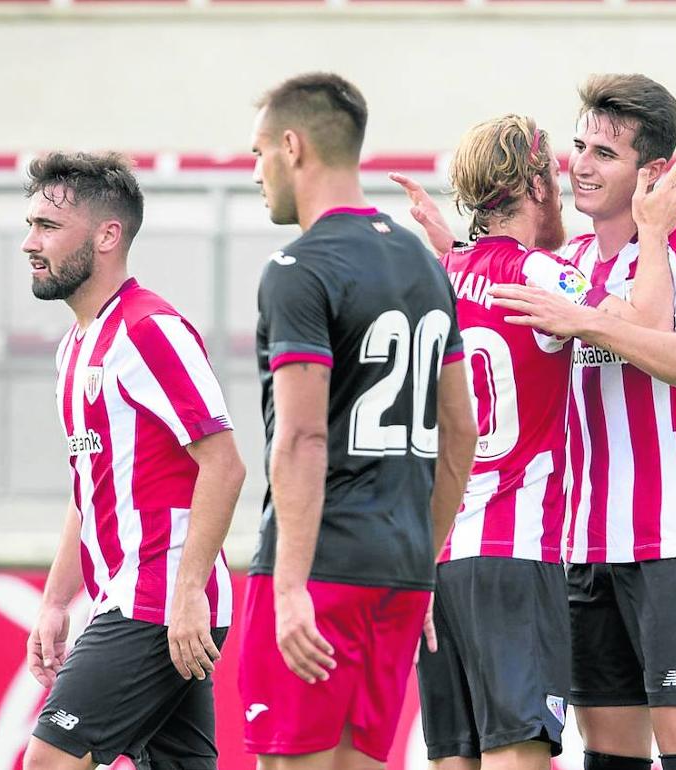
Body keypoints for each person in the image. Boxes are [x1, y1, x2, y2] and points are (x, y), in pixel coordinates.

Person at [396, 73, 676, 770]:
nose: (581, 164)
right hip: (579, 548)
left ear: (653, 172)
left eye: (605, 154)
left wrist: (589, 314)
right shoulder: (566, 264)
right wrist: (457, 252)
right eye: (578, 146)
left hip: (674, 540)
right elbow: (497, 290)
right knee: (607, 759)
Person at [239, 72, 477, 769]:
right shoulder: (424, 264)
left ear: (292, 147)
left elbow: (302, 436)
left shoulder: (299, 268)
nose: (255, 173)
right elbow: (461, 430)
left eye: (258, 153)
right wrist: (422, 561)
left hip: (322, 565)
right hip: (401, 571)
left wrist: (289, 587)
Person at [21, 152, 245, 770]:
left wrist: (189, 592)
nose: (30, 243)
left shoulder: (149, 329)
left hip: (160, 599)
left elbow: (224, 465)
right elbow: (89, 487)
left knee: (49, 760)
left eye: (48, 227)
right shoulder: (75, 346)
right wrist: (55, 602)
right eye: (30, 225)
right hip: (138, 599)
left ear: (107, 236)